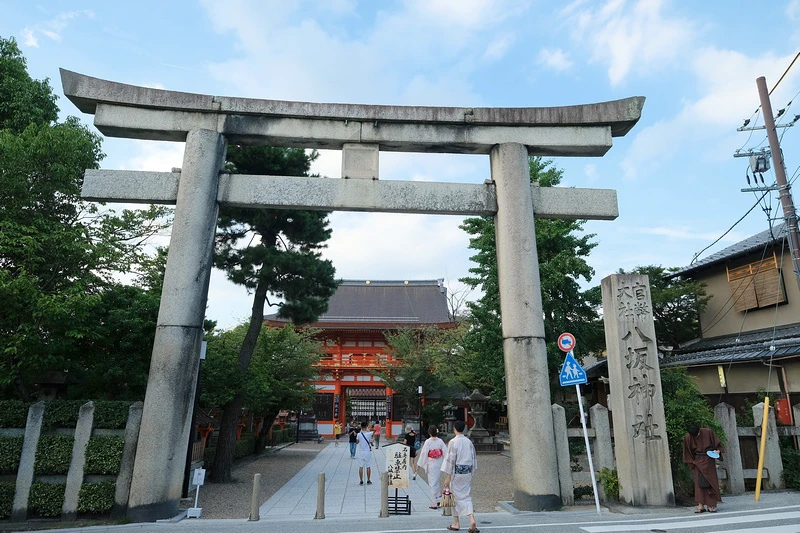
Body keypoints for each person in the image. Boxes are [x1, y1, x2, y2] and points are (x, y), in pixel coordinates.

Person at [442, 420, 478, 533]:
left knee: (455, 496)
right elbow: (473, 457)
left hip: (456, 473)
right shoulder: (468, 442)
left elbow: (451, 460)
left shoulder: (453, 442)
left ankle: (457, 522)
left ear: (454, 429)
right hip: (467, 472)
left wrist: (448, 477)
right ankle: (470, 518)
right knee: (466, 495)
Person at [682, 423, 724, 513]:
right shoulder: (688, 437)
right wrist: (692, 462)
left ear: (699, 430)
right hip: (697, 460)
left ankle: (711, 504)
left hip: (709, 459)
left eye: (697, 434)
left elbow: (718, 445)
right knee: (699, 483)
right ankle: (700, 505)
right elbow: (688, 452)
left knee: (710, 482)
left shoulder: (708, 432)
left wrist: (718, 451)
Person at [418, 425, 447, 509]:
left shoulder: (428, 442)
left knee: (432, 483)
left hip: (431, 463)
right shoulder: (440, 441)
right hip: (438, 463)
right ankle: (438, 499)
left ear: (429, 433)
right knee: (436, 481)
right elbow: (446, 452)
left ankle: (434, 502)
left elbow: (424, 453)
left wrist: (419, 464)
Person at [357, 421, 374, 485]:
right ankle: (368, 480)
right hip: (367, 452)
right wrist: (369, 429)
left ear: (361, 427)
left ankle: (361, 480)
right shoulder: (369, 434)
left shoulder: (359, 434)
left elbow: (357, 442)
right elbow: (374, 431)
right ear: (366, 427)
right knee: (368, 466)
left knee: (361, 466)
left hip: (361, 452)